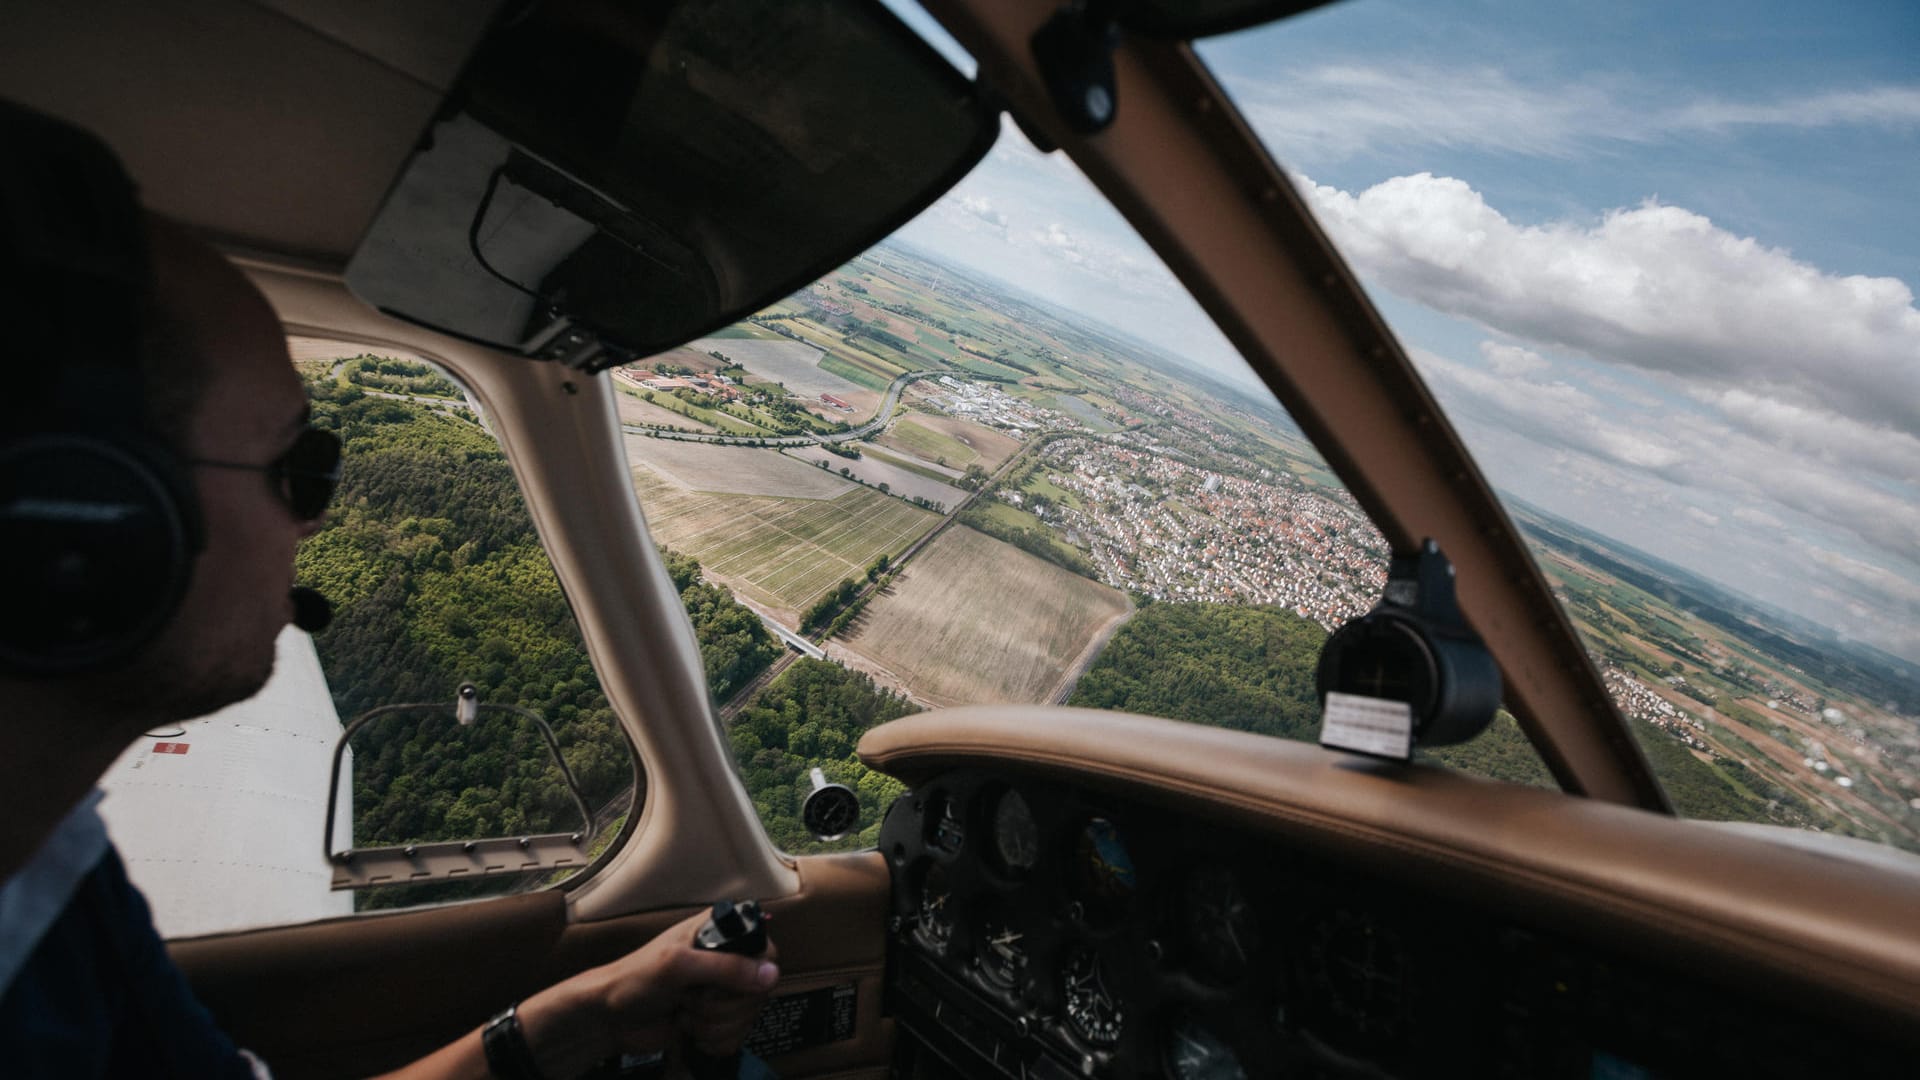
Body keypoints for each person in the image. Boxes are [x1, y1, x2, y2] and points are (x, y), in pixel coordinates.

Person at [0, 106, 777, 1078]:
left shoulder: (52, 870)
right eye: (300, 467)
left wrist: (580, 1013)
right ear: (81, 521)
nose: (317, 519)